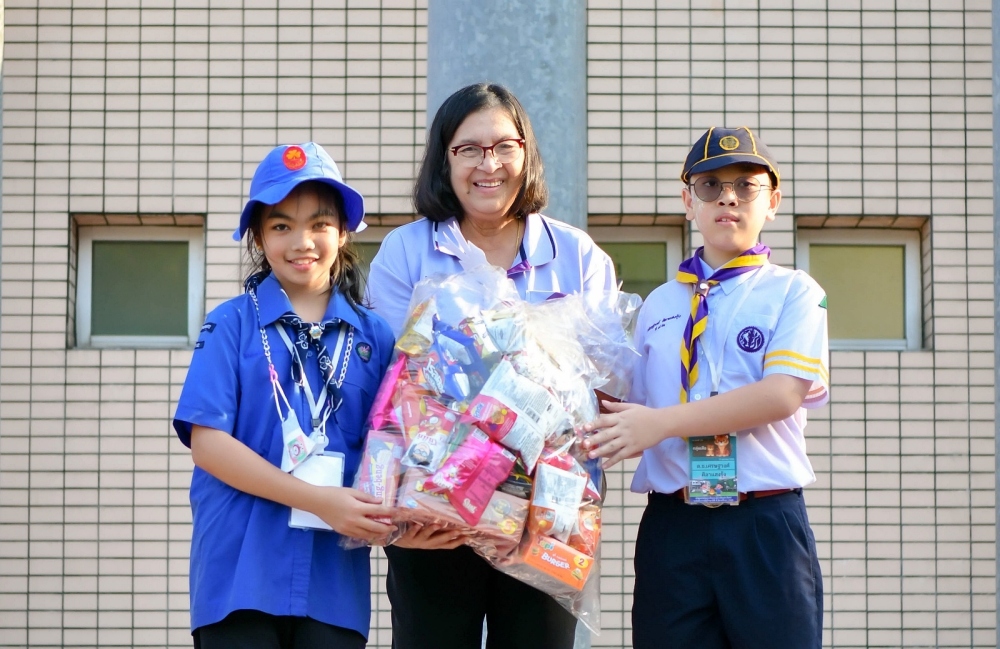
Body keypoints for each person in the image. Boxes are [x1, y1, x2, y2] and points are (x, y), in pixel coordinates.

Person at [365, 83, 616, 649]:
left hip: (548, 514)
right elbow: (391, 387)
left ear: (526, 154)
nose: (489, 164)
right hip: (435, 513)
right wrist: (396, 513)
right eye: (469, 149)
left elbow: (608, 382)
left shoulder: (577, 255)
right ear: (444, 159)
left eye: (505, 146)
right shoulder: (406, 251)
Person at [584, 126, 829, 649]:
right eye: (711, 185)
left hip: (762, 524)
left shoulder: (794, 291)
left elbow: (781, 395)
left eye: (746, 185)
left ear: (773, 201)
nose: (728, 198)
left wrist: (659, 424)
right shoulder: (658, 304)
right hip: (673, 527)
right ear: (688, 201)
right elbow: (635, 414)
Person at [173, 142, 396, 649]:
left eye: (319, 224)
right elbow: (208, 445)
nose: (302, 242)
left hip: (333, 582)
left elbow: (393, 446)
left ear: (343, 231)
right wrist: (319, 501)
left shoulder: (375, 337)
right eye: (281, 226)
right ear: (258, 236)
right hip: (239, 574)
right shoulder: (230, 324)